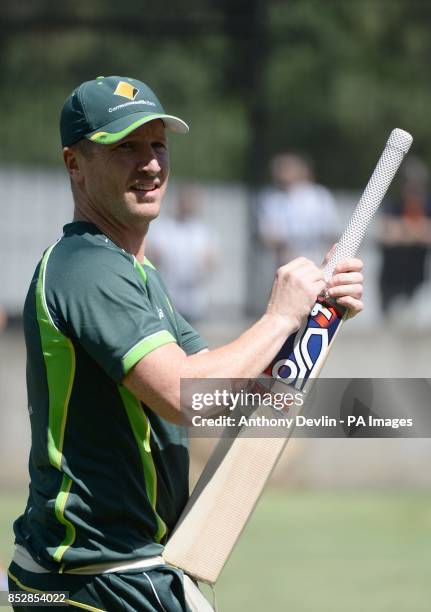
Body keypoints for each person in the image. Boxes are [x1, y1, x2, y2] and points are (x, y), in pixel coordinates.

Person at [7, 75, 364, 611]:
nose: (150, 163)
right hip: (95, 576)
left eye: (157, 145)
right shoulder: (87, 267)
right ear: (74, 164)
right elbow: (186, 397)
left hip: (115, 570)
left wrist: (317, 314)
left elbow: (224, 388)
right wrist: (277, 317)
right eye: (125, 146)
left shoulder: (135, 271)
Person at [147, 184, 218, 322]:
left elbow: (212, 262)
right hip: (168, 296)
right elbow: (151, 256)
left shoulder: (203, 231)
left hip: (194, 298)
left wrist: (204, 266)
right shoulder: (163, 227)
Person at [258, 152, 339, 266]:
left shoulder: (319, 196)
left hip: (318, 260)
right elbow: (269, 235)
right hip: (287, 262)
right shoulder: (272, 199)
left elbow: (330, 230)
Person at [379, 156, 431, 315]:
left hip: (417, 278)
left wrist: (403, 230)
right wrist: (417, 230)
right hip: (391, 277)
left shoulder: (427, 206)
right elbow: (387, 235)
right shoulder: (393, 205)